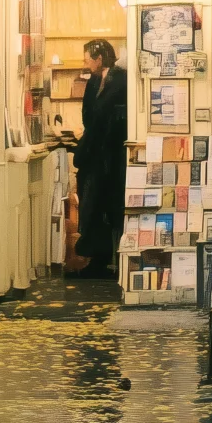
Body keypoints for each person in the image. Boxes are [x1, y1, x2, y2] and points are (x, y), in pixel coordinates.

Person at [73, 39, 128, 277]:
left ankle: (109, 258)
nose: (86, 63)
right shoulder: (95, 80)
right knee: (91, 204)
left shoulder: (120, 79)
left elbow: (109, 116)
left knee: (108, 205)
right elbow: (88, 114)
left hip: (112, 155)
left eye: (88, 59)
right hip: (96, 154)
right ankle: (97, 256)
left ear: (99, 58)